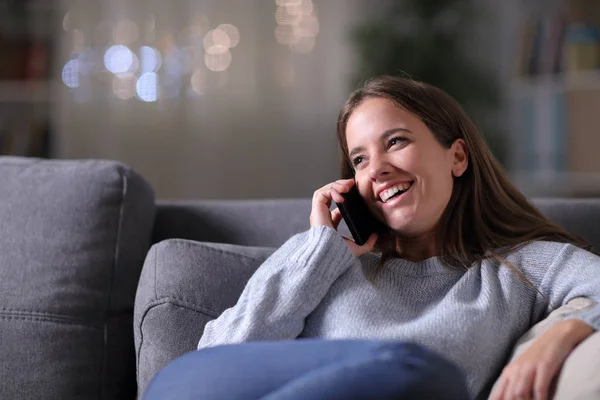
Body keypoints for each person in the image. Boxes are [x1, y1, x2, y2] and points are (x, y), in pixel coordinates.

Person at [144, 76, 600, 400]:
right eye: (359, 159)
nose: (376, 168)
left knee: (418, 376)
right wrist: (318, 252)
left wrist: (560, 336)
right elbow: (216, 364)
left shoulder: (520, 266)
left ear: (457, 156)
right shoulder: (324, 261)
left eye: (396, 141)